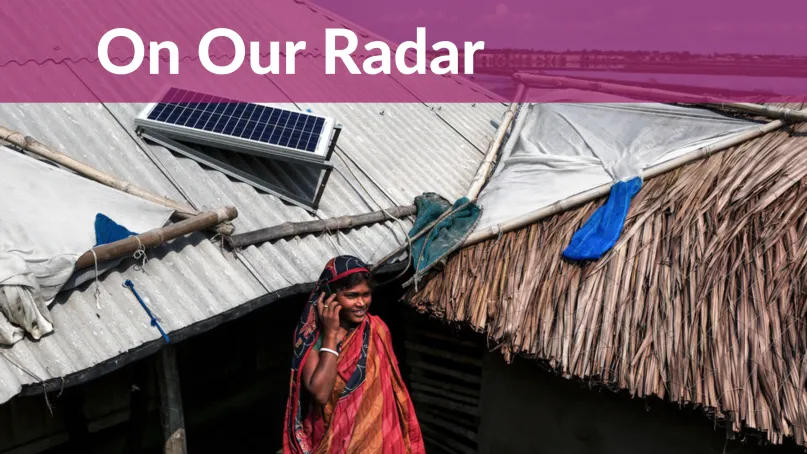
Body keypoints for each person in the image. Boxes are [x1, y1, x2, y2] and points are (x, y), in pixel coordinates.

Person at [283, 255, 425, 454]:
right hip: (333, 440)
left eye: (366, 294)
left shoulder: (376, 329)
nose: (361, 303)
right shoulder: (312, 337)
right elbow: (321, 394)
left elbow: (389, 391)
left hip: (379, 438)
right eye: (351, 296)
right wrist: (331, 335)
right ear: (330, 296)